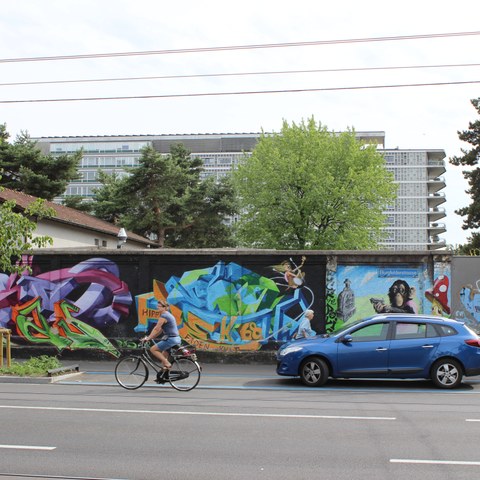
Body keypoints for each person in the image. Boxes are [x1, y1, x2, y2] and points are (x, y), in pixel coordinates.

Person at [142, 300, 181, 371]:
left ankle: (167, 364)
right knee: (163, 355)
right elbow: (159, 331)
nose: (157, 307)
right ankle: (164, 374)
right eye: (157, 306)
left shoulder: (164, 316)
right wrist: (150, 338)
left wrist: (148, 338)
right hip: (175, 339)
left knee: (153, 349)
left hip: (171, 340)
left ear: (165, 308)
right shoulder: (168, 314)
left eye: (159, 306)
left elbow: (156, 328)